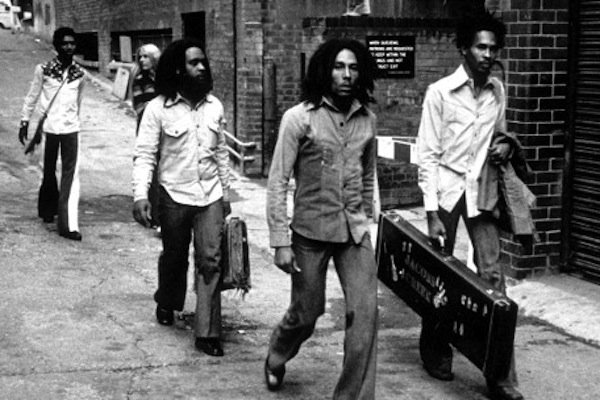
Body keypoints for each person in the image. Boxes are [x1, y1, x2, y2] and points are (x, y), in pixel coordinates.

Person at [416, 10, 524, 400]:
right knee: (440, 274)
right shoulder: (440, 93)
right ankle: (435, 347)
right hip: (446, 192)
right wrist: (432, 213)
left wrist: (505, 146)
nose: (488, 54)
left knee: (493, 278)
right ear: (464, 48)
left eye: (493, 48)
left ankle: (501, 376)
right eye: (480, 47)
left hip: (481, 193)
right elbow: (427, 156)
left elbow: (500, 135)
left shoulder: (498, 91)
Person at [265, 38, 378, 399]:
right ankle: (277, 354)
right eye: (339, 67)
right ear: (325, 71)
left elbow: (368, 174)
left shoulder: (367, 120)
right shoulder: (299, 118)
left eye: (353, 68)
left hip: (354, 233)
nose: (346, 75)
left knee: (365, 315)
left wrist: (367, 217)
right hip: (310, 233)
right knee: (307, 312)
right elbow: (278, 180)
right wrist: (280, 241)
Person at [132, 39, 231, 357]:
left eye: (203, 62)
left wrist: (226, 193)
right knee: (174, 257)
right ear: (178, 69)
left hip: (210, 194)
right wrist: (140, 195)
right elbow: (145, 155)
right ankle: (167, 300)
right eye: (194, 63)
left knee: (211, 261)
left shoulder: (214, 106)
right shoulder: (157, 109)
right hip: (173, 195)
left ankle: (207, 332)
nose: (202, 67)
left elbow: (221, 153)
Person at [19, 26, 86, 241]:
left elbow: (78, 103)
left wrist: (74, 122)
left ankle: (68, 224)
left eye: (72, 43)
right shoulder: (44, 70)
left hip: (70, 130)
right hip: (49, 129)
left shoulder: (80, 74)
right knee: (48, 171)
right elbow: (32, 96)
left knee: (71, 176)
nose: (69, 47)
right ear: (57, 46)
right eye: (64, 43)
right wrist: (25, 121)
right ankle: (48, 207)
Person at [131, 43, 161, 229]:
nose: (142, 60)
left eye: (146, 56)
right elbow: (140, 106)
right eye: (140, 57)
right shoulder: (139, 79)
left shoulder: (162, 77)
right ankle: (155, 215)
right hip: (146, 127)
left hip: (164, 128)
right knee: (152, 170)